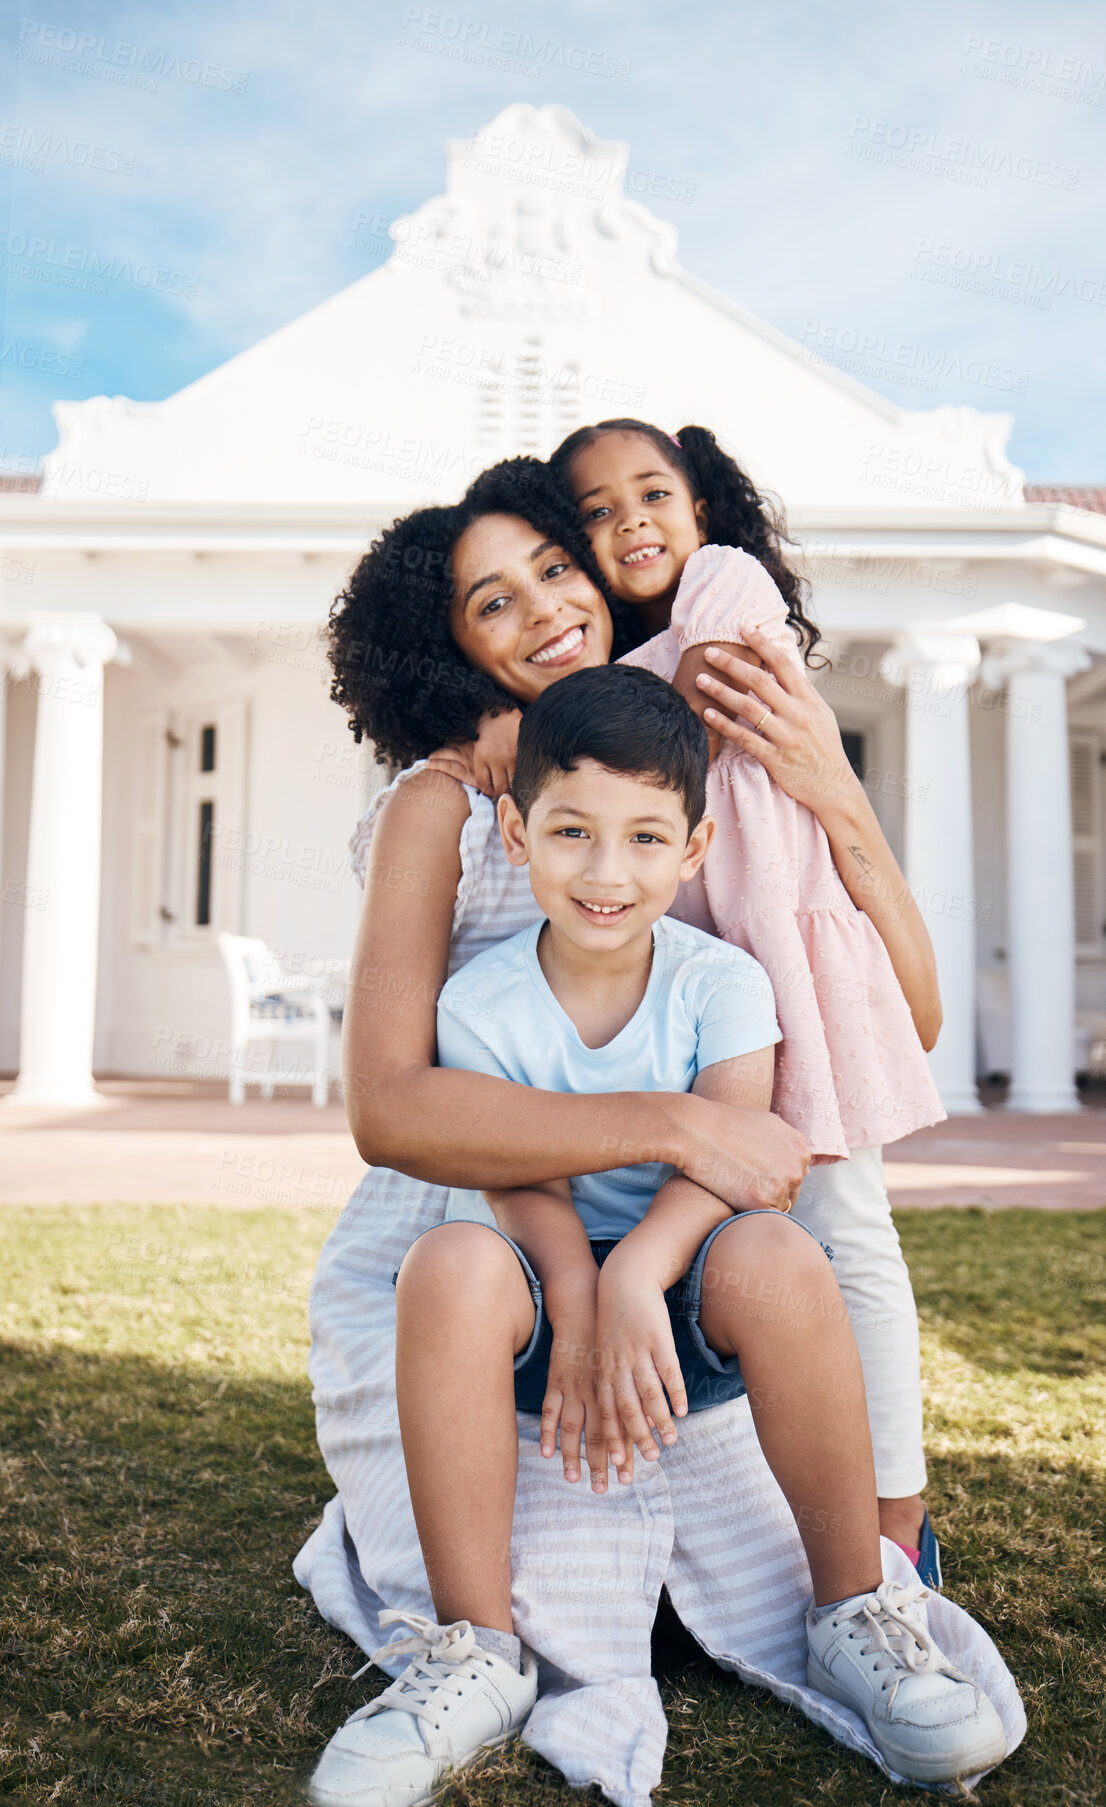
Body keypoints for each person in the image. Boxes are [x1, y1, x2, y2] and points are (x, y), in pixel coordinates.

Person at [299, 460, 1023, 1807]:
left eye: (557, 571)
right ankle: (475, 1643)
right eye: (489, 602)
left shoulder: (693, 770)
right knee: (504, 1360)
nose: (541, 610)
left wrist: (832, 790)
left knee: (792, 1265)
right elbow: (391, 1104)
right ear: (444, 644)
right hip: (485, 1214)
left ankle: (867, 1589)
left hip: (679, 1212)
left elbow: (882, 1016)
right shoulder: (445, 801)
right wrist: (670, 1127)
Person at [440, 419, 946, 1579]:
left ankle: (896, 1526)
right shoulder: (509, 774)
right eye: (596, 520)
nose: (627, 532)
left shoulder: (713, 623)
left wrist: (838, 795)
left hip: (756, 1020)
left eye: (650, 500)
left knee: (832, 1239)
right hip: (576, 1142)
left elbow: (909, 1013)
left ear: (701, 512)